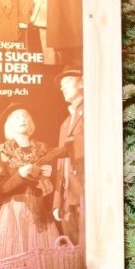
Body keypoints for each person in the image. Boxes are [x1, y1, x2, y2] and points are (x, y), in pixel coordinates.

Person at [0, 106, 60, 269]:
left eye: (25, 116)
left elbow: (59, 181)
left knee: (46, 266)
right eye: (16, 117)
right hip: (15, 213)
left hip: (41, 213)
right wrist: (20, 175)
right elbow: (0, 188)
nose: (22, 119)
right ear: (9, 124)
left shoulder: (44, 149)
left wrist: (51, 173)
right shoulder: (1, 152)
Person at [53, 69, 84, 244]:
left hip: (84, 193)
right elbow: (61, 164)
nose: (62, 88)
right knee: (73, 251)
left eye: (66, 82)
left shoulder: (92, 111)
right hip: (67, 199)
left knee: (88, 249)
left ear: (82, 82)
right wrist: (57, 201)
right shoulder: (65, 123)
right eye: (61, 86)